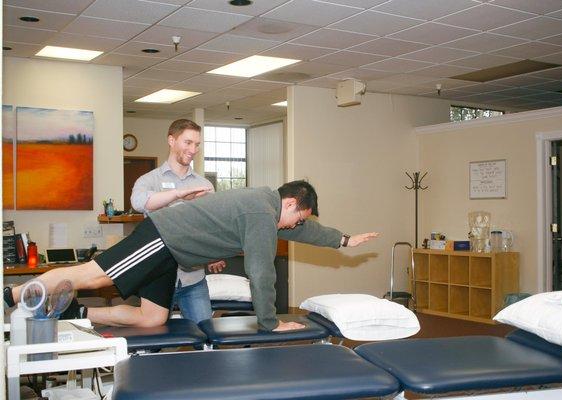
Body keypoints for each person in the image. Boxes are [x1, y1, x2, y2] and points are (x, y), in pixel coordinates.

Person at [5, 181, 378, 331]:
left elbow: (304, 229)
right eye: (298, 216)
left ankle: (78, 312)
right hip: (162, 238)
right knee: (93, 275)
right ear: (291, 202)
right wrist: (271, 323)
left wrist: (343, 240)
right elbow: (262, 272)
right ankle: (16, 293)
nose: (295, 225)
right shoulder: (261, 214)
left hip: (173, 253)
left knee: (152, 318)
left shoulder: (269, 207)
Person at [130, 118, 224, 324]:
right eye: (188, 142)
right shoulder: (149, 180)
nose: (193, 149)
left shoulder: (204, 185)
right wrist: (178, 194)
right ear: (171, 140)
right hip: (159, 277)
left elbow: (210, 227)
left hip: (194, 279)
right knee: (152, 340)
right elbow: (139, 203)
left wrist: (213, 254)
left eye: (197, 144)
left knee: (206, 335)